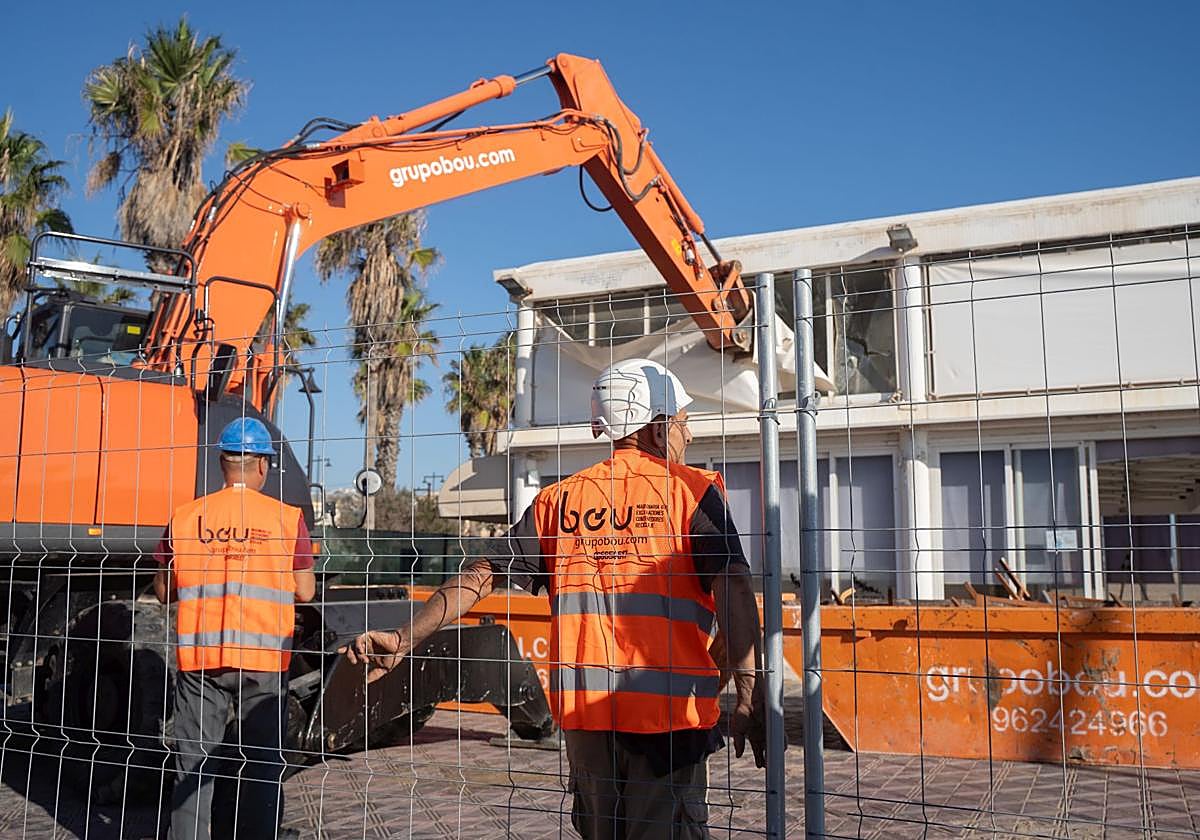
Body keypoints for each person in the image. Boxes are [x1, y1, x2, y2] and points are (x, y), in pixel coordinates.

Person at [343, 358, 765, 839]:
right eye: (685, 424)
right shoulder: (693, 493)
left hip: (587, 721)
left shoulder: (558, 501)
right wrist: (749, 694)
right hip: (669, 724)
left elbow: (481, 574)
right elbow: (732, 587)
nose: (688, 437)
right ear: (657, 426)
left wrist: (403, 637)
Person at [153, 417, 316, 840]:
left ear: (222, 462)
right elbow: (306, 592)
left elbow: (163, 591)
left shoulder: (186, 517)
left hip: (201, 659)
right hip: (263, 662)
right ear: (262, 465)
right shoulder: (286, 518)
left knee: (193, 766)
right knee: (261, 765)